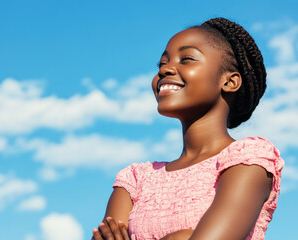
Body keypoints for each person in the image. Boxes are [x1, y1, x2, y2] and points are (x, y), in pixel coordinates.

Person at [92, 17, 284, 240]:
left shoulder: (249, 160)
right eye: (162, 64)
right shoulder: (135, 180)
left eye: (187, 59)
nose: (165, 70)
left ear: (230, 82)